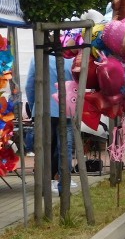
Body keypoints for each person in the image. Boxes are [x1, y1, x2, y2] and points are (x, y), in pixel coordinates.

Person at [26, 55, 76, 194]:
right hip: (65, 111)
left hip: (42, 111)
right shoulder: (72, 60)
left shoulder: (37, 59)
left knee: (43, 150)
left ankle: (43, 187)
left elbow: (29, 85)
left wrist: (33, 107)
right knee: (64, 150)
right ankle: (64, 187)